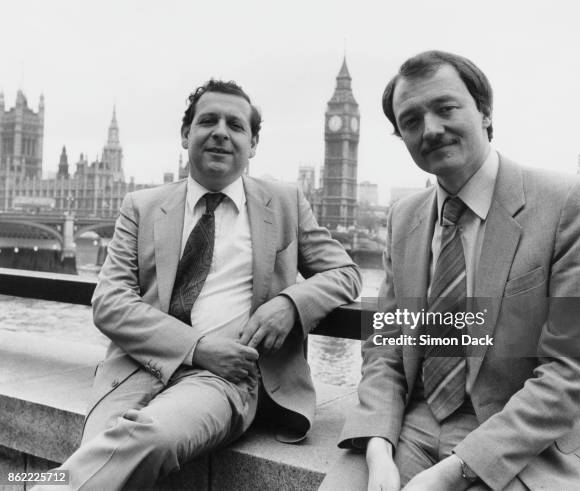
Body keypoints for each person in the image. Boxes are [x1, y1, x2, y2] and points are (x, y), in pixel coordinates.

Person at [41, 79, 361, 489]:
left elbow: (345, 273)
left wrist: (290, 303)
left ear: (253, 143)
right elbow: (110, 301)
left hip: (227, 377)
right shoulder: (141, 206)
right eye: (207, 121)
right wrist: (196, 347)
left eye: (235, 125)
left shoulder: (284, 202)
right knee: (106, 457)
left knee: (150, 438)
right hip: (141, 366)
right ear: (185, 134)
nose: (221, 132)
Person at [322, 51, 580, 490]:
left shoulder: (572, 202)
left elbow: (575, 369)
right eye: (411, 120)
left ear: (485, 112)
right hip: (414, 424)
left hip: (525, 435)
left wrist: (454, 471)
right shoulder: (403, 217)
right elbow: (385, 347)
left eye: (445, 108)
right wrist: (379, 447)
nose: (431, 129)